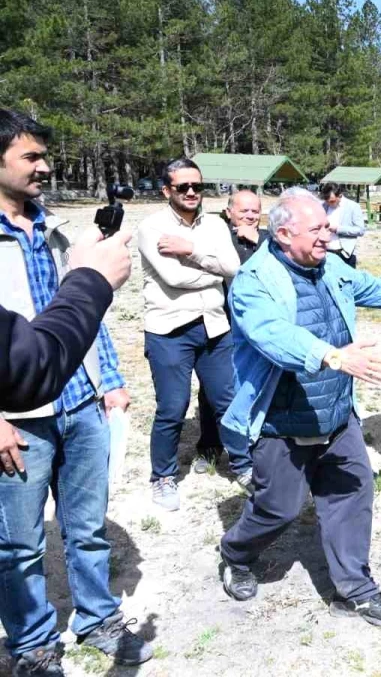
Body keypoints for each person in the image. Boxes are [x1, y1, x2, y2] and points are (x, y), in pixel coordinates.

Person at [218, 188, 381, 628]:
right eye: (318, 227)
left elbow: (375, 287)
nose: (330, 232)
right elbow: (273, 335)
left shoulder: (330, 265)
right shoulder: (254, 281)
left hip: (337, 414)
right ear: (283, 234)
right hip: (281, 422)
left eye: (328, 224)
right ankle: (236, 553)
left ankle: (355, 588)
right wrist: (334, 356)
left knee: (352, 494)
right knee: (278, 508)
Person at [0, 109, 153, 676]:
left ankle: (97, 618)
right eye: (31, 157)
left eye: (45, 155)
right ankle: (33, 645)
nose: (45, 166)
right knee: (17, 544)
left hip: (81, 403)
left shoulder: (57, 230)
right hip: (18, 415)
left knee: (87, 526)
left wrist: (108, 380)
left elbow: (86, 312)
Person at [138, 157, 248, 509]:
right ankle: (164, 476)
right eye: (183, 186)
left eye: (197, 186)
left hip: (215, 326)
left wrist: (191, 250)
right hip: (169, 330)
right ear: (166, 190)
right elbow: (174, 278)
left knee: (227, 401)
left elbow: (235, 266)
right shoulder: (151, 227)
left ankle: (244, 465)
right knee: (172, 407)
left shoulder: (215, 226)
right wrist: (215, 271)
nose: (191, 192)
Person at [1, 229, 132, 414]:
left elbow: (86, 310)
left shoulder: (52, 228)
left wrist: (109, 379)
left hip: (84, 400)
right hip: (22, 419)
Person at [319, 182, 366, 268]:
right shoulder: (323, 206)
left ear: (340, 196)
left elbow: (360, 230)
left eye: (332, 201)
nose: (329, 204)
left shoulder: (353, 207)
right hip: (326, 252)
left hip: (344, 253)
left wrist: (338, 229)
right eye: (327, 201)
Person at [224, 189, 264, 265]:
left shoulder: (271, 238)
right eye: (244, 211)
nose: (250, 216)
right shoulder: (219, 236)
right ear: (229, 213)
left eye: (255, 211)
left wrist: (258, 239)